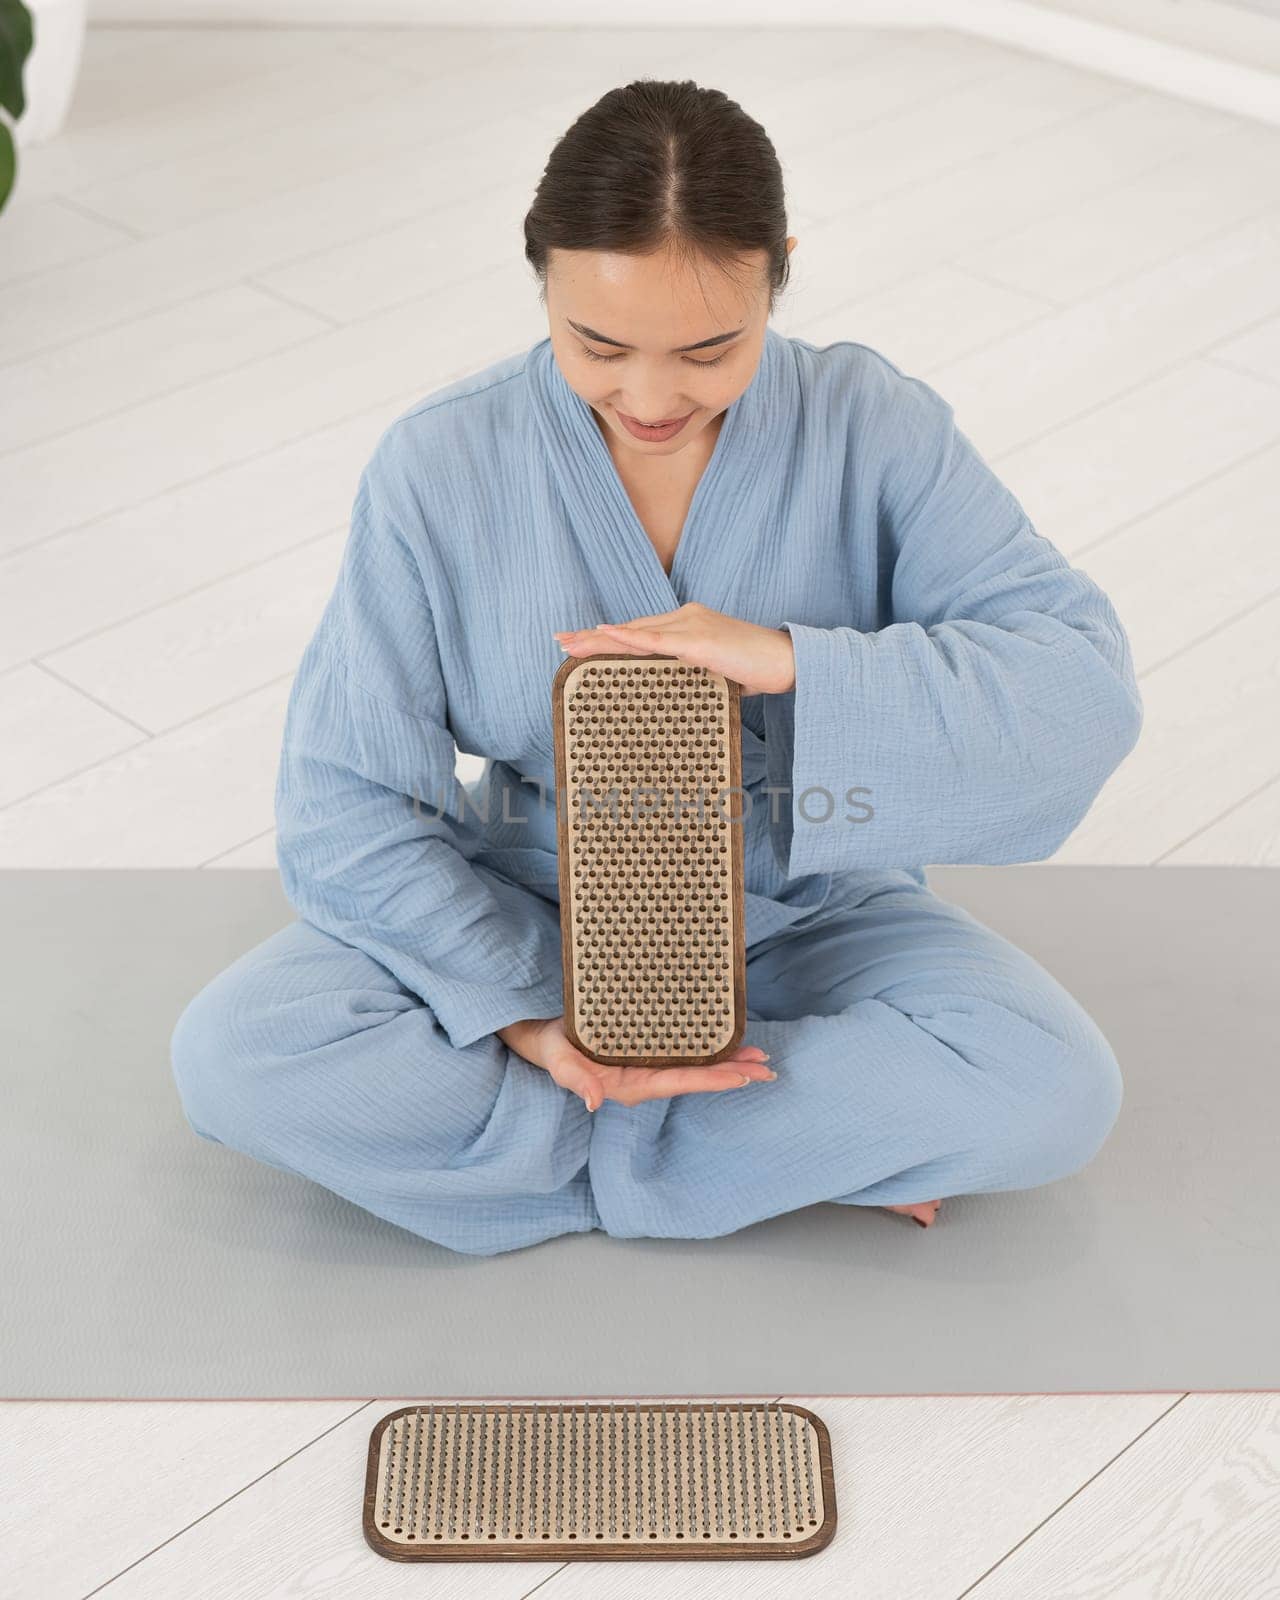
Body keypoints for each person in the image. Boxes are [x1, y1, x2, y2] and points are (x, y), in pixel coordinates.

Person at [169, 79, 1143, 1258]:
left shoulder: (875, 427)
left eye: (708, 350)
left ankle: (558, 1147)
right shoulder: (439, 463)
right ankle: (785, 1148)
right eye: (595, 343)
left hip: (806, 906)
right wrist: (527, 1010)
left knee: (1052, 1086)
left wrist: (784, 660)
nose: (647, 398)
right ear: (540, 276)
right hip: (528, 906)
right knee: (234, 1054)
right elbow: (345, 796)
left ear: (777, 270)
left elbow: (1076, 686)